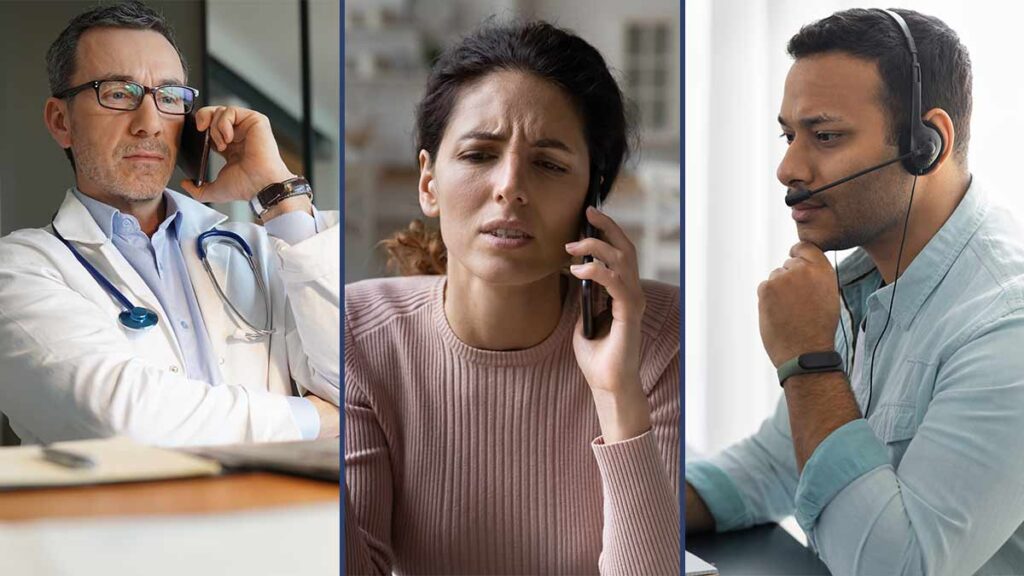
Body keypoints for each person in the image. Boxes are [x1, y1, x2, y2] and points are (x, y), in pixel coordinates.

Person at [686, 8, 1024, 575]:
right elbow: (776, 464)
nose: (788, 167)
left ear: (927, 144)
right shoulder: (857, 285)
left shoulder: (1003, 328)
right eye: (788, 135)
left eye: (825, 136)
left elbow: (895, 568)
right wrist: (627, 503)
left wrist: (808, 362)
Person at [344, 21, 680, 575]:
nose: (510, 186)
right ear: (428, 182)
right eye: (478, 155)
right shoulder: (358, 334)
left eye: (549, 164)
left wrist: (618, 390)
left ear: (591, 196)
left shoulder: (659, 331)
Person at [0, 1, 340, 446]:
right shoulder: (19, 269)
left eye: (169, 97)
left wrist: (278, 193)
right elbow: (121, 419)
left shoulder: (260, 250)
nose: (150, 124)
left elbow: (357, 382)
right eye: (119, 93)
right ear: (61, 122)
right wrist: (313, 419)